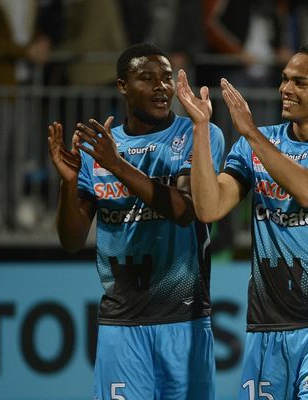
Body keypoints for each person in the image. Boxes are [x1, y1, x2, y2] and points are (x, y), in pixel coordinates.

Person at [177, 43, 308, 399]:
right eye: (284, 79)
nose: (285, 89)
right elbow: (209, 209)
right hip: (268, 323)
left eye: (300, 82)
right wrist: (201, 128)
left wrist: (250, 133)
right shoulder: (256, 144)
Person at [47, 43, 224, 399]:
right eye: (147, 78)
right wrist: (69, 185)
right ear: (122, 86)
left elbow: (185, 210)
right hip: (121, 325)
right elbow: (72, 239)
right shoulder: (97, 151)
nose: (162, 87)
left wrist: (117, 166)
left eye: (167, 78)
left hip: (184, 322)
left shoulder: (198, 134)